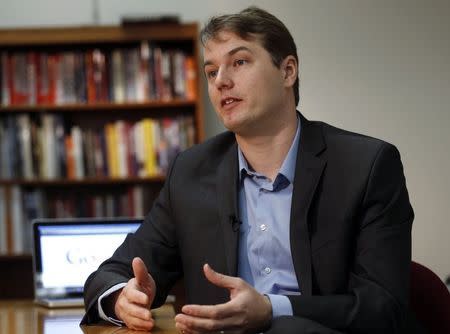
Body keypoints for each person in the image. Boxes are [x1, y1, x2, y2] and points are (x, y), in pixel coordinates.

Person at [82, 6, 421, 334]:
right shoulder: (191, 172)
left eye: (239, 62)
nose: (221, 81)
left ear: (287, 71)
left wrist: (272, 310)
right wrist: (122, 298)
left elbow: (382, 307)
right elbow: (111, 273)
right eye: (211, 71)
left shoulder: (366, 165)